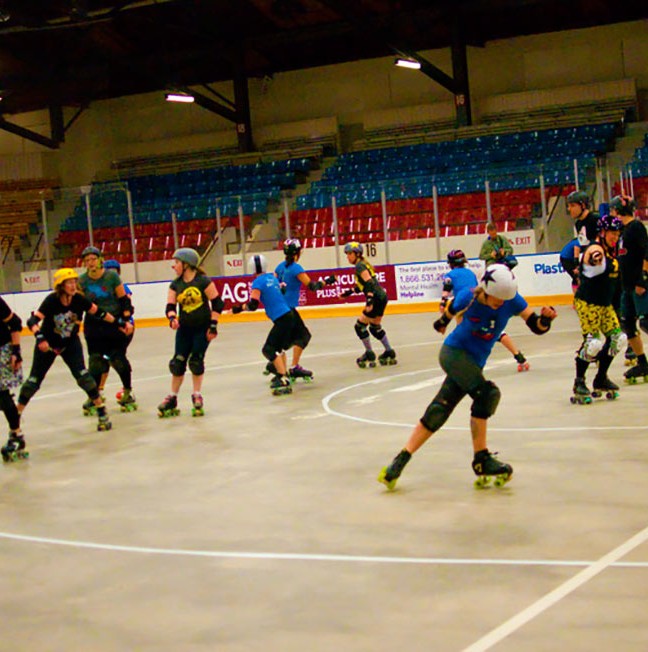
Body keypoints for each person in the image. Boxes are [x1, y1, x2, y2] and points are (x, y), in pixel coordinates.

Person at [378, 263, 557, 490]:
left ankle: (398, 462)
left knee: (441, 407)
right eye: (496, 299)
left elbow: (536, 326)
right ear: (485, 290)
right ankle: (481, 458)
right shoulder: (468, 297)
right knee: (487, 394)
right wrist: (442, 322)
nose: (500, 304)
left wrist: (546, 319)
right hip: (453, 354)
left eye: (504, 300)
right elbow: (450, 310)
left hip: (473, 363)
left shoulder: (511, 300)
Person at [17, 268, 124, 432]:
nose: (73, 285)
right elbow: (32, 320)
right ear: (61, 285)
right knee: (33, 381)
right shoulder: (52, 300)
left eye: (75, 282)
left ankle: (101, 410)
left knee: (83, 377)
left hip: (70, 343)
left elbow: (99, 313)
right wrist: (40, 337)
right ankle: (16, 416)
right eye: (69, 283)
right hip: (49, 345)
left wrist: (119, 323)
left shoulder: (79, 300)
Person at [231, 254, 311, 396]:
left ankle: (283, 377)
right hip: (289, 316)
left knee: (268, 349)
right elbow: (281, 291)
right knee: (278, 348)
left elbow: (253, 305)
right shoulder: (272, 278)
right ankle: (283, 372)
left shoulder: (257, 282)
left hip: (282, 319)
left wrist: (238, 309)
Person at [441, 249, 529, 372]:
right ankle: (519, 357)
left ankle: (467, 365)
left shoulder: (450, 276)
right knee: (498, 333)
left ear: (450, 263)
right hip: (480, 304)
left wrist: (443, 303)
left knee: (465, 337)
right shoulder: (470, 273)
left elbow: (447, 290)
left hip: (464, 308)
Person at [159, 248, 223, 417]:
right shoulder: (176, 284)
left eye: (177, 262)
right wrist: (172, 318)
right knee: (178, 363)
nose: (174, 266)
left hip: (202, 329)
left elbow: (217, 304)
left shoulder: (203, 282)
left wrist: (213, 325)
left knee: (196, 361)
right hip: (184, 330)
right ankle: (172, 397)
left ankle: (197, 394)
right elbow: (170, 306)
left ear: (187, 265)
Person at [571, 214, 627, 403]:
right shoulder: (597, 249)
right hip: (588, 303)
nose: (615, 237)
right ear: (602, 233)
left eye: (617, 233)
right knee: (593, 343)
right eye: (612, 233)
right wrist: (593, 261)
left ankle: (601, 377)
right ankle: (579, 381)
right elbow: (591, 257)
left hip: (605, 304)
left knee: (617, 339)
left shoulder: (610, 251)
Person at [78, 247, 136, 415]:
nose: (90, 263)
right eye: (87, 260)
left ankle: (127, 391)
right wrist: (75, 325)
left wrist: (126, 320)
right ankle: (95, 395)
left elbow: (124, 300)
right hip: (94, 325)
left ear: (99, 259)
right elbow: (80, 306)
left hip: (114, 322)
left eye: (93, 259)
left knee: (117, 358)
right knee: (96, 361)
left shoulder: (111, 276)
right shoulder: (82, 281)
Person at [270, 238, 336, 381]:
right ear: (297, 252)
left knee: (286, 340)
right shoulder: (296, 268)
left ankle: (280, 368)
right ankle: (291, 368)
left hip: (279, 309)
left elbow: (274, 287)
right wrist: (327, 281)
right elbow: (312, 286)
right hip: (289, 310)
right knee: (304, 336)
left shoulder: (279, 267)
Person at [610, 195, 648, 383]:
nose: (611, 213)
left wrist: (643, 280)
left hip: (638, 285)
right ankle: (643, 363)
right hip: (626, 286)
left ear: (618, 210)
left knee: (646, 322)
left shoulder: (636, 228)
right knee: (627, 325)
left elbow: (647, 253)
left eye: (612, 210)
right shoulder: (622, 231)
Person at [341, 241, 396, 368]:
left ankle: (369, 353)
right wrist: (348, 292)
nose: (348, 256)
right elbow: (364, 285)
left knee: (360, 326)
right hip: (382, 297)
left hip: (376, 298)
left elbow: (370, 283)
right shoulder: (363, 264)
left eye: (350, 253)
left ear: (357, 254)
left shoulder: (360, 266)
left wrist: (369, 301)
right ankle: (389, 352)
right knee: (375, 328)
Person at [101, 259, 137, 400]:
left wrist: (123, 320)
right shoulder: (102, 289)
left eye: (115, 271)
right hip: (106, 328)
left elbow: (127, 304)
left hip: (123, 327)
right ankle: (99, 390)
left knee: (116, 357)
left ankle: (127, 390)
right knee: (104, 359)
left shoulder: (122, 287)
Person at [0, 298, 27, 462]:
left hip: (2, 349)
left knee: (1, 396)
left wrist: (16, 351)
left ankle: (16, 435)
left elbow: (15, 323)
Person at [566, 190, 599, 287]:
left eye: (572, 206)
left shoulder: (595, 219)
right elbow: (581, 244)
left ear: (583, 206)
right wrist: (577, 264)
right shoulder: (578, 223)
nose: (569, 209)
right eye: (568, 206)